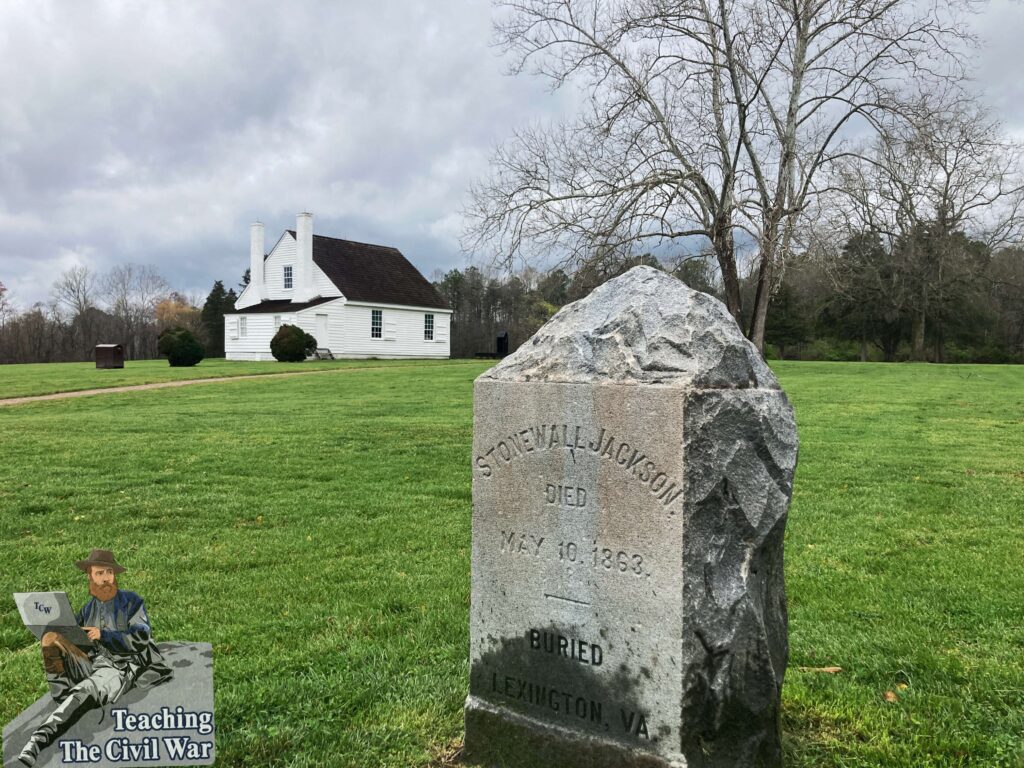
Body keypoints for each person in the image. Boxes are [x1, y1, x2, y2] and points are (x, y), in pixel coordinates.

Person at [17, 549, 173, 767]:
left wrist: (104, 635)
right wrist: (71, 634)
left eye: (109, 572)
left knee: (85, 690)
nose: (106, 578)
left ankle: (38, 741)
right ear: (89, 576)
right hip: (92, 662)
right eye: (100, 573)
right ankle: (64, 697)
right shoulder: (88, 608)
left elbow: (141, 636)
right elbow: (79, 640)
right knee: (50, 638)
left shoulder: (131, 602)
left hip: (119, 667)